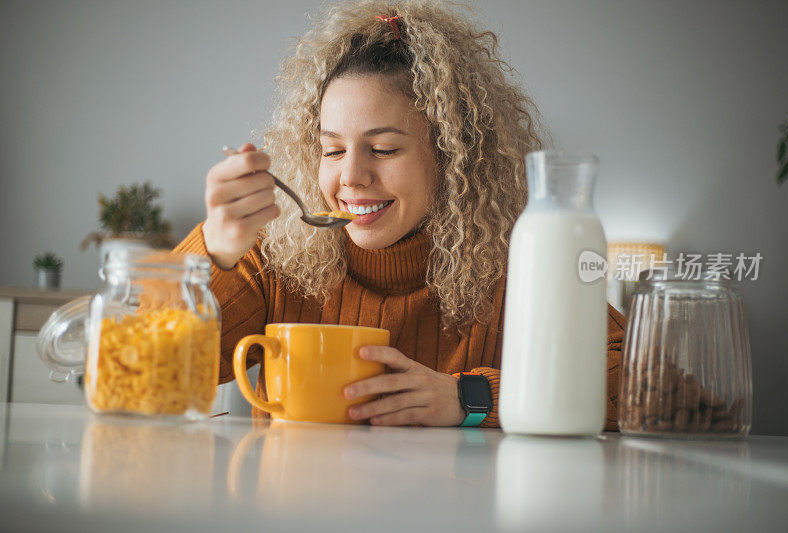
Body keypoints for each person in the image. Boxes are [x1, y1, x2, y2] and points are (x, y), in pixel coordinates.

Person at [175, 0, 626, 428]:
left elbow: (648, 384)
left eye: (383, 149)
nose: (351, 176)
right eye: (332, 149)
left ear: (453, 155)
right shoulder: (277, 256)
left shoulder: (513, 266)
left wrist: (471, 398)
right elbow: (140, 364)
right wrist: (213, 253)